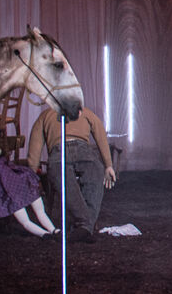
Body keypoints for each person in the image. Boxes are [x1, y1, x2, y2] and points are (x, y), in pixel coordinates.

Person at [27, 104, 116, 242]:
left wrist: (32, 171)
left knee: (68, 184)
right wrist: (108, 164)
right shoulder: (84, 111)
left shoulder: (46, 115)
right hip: (78, 150)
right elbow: (100, 134)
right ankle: (86, 227)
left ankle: (84, 226)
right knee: (92, 174)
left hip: (62, 152)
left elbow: (35, 145)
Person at [0, 137, 58, 237]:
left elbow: (12, 168)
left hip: (16, 184)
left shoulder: (1, 161)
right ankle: (44, 234)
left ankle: (53, 230)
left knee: (40, 211)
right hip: (8, 192)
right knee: (25, 220)